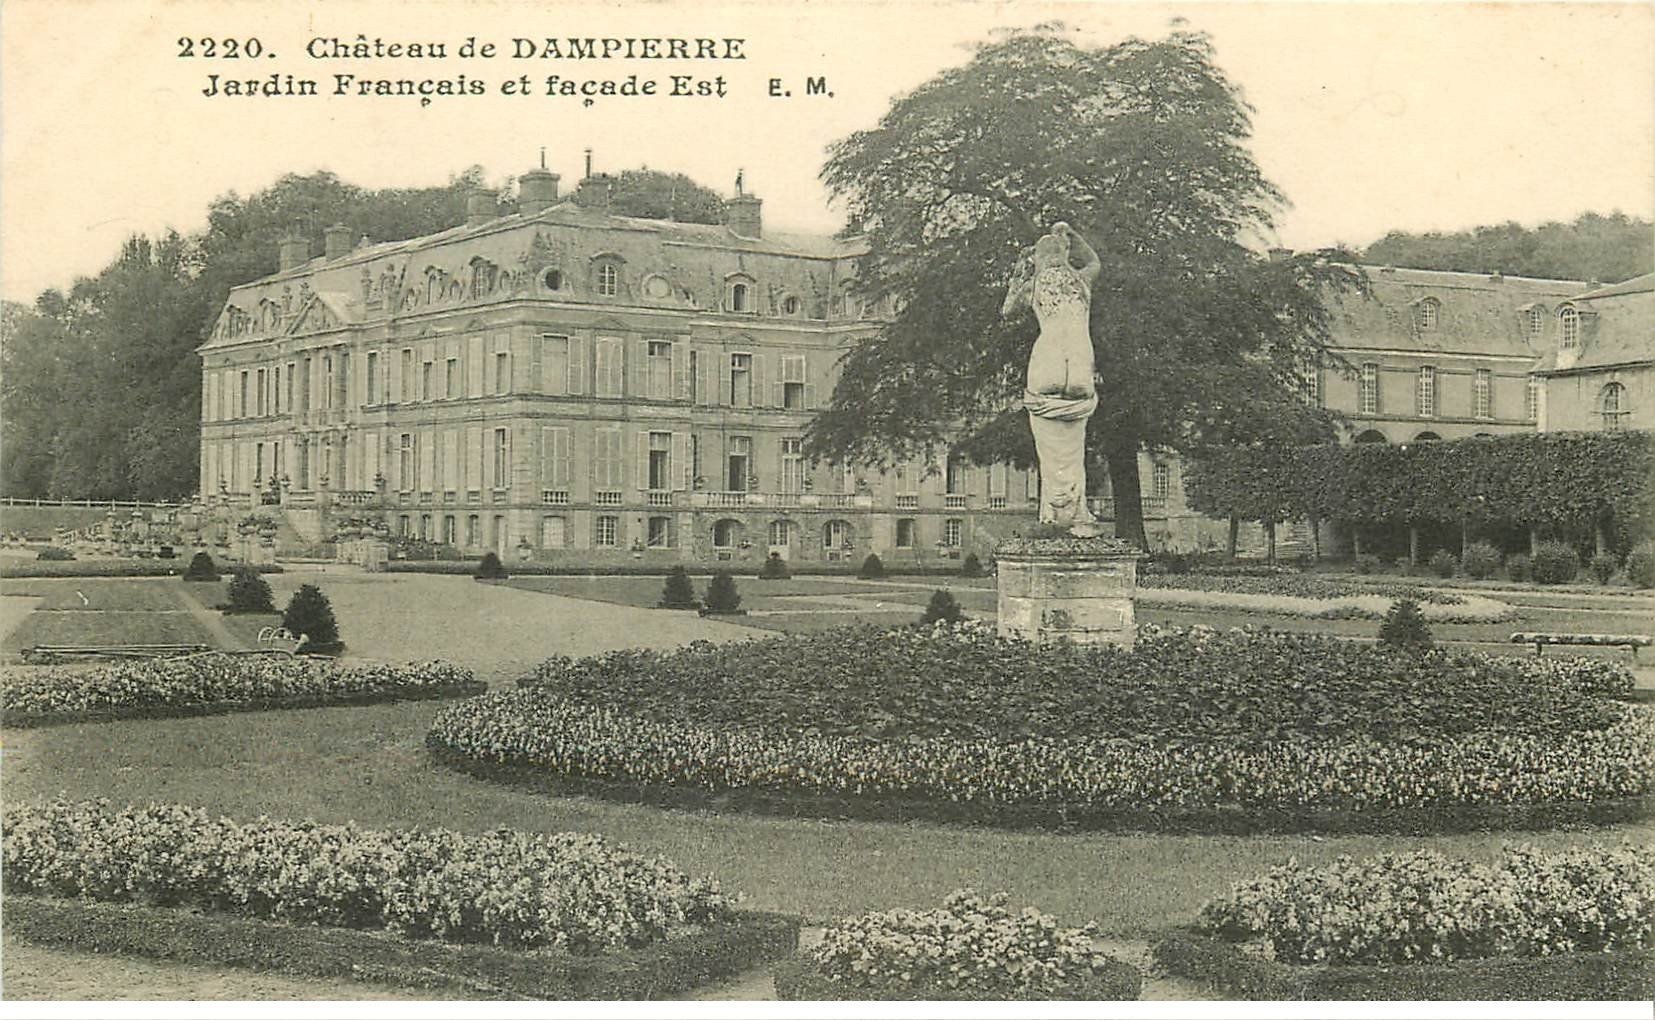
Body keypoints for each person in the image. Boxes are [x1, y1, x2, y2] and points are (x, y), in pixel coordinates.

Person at [1002, 222, 1104, 537]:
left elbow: (1007, 310)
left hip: (1047, 362)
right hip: (1080, 366)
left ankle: (1052, 513)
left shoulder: (1034, 284)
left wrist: (1020, 269)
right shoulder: (1081, 280)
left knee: (1049, 450)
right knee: (1075, 447)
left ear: (1039, 258)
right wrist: (1072, 234)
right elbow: (1094, 261)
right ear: (1064, 254)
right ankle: (1078, 512)